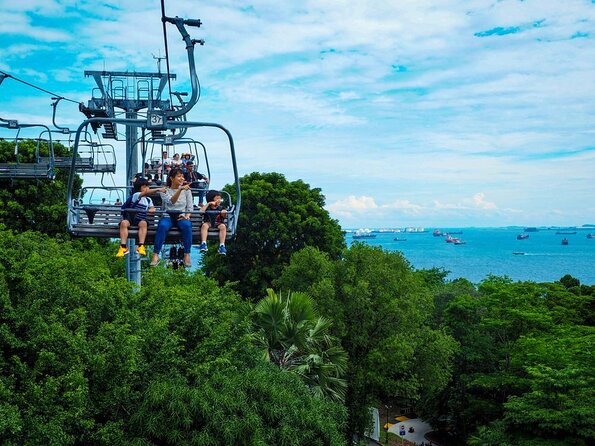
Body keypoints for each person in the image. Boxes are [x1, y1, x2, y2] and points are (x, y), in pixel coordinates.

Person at [150, 167, 194, 267]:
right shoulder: (164, 190)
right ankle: (156, 254)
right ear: (171, 178)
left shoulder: (187, 191)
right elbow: (171, 201)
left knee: (187, 226)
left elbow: (190, 206)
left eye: (182, 176)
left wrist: (187, 215)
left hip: (180, 215)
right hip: (168, 215)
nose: (182, 178)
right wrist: (180, 189)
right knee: (162, 226)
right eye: (179, 176)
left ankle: (187, 254)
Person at [116, 177, 164, 257]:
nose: (147, 188)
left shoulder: (148, 199)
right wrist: (158, 189)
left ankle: (141, 245)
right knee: (124, 223)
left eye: (147, 186)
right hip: (131, 218)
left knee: (143, 224)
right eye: (144, 187)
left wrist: (152, 209)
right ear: (139, 188)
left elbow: (152, 207)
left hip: (140, 219)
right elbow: (144, 193)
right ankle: (123, 246)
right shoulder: (136, 195)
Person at [199, 190, 227, 255]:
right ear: (211, 199)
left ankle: (222, 245)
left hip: (218, 223)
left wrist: (224, 213)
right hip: (208, 223)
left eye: (220, 198)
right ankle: (203, 243)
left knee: (223, 226)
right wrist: (208, 204)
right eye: (217, 198)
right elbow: (201, 212)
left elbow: (224, 216)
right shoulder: (207, 207)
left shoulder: (221, 207)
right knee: (204, 226)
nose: (219, 200)